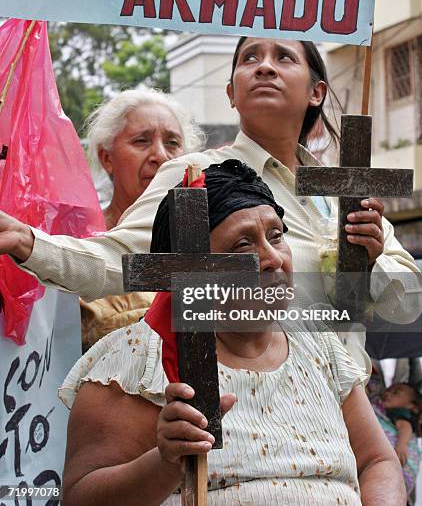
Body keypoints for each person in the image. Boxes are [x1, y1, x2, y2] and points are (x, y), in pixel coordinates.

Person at [2, 38, 420, 373]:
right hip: (245, 409)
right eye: (250, 57)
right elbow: (122, 261)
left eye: (284, 57)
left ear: (317, 92)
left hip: (348, 415)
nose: (265, 66)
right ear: (231, 94)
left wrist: (370, 263)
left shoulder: (346, 193)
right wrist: (28, 242)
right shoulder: (196, 175)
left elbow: (408, 306)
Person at [59, 161, 405, 505]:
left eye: (276, 236)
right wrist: (164, 464)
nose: (272, 259)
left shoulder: (319, 345)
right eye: (242, 245)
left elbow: (377, 461)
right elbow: (80, 498)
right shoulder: (135, 361)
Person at [81, 87, 204, 347]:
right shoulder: (77, 246)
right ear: (107, 158)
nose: (160, 155)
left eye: (172, 143)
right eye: (141, 141)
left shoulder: (209, 244)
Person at [369, 373, 421, 502]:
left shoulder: (403, 415)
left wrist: (401, 444)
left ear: (412, 406)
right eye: (388, 390)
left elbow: (405, 427)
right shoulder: (383, 409)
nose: (388, 393)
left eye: (396, 392)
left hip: (393, 470)